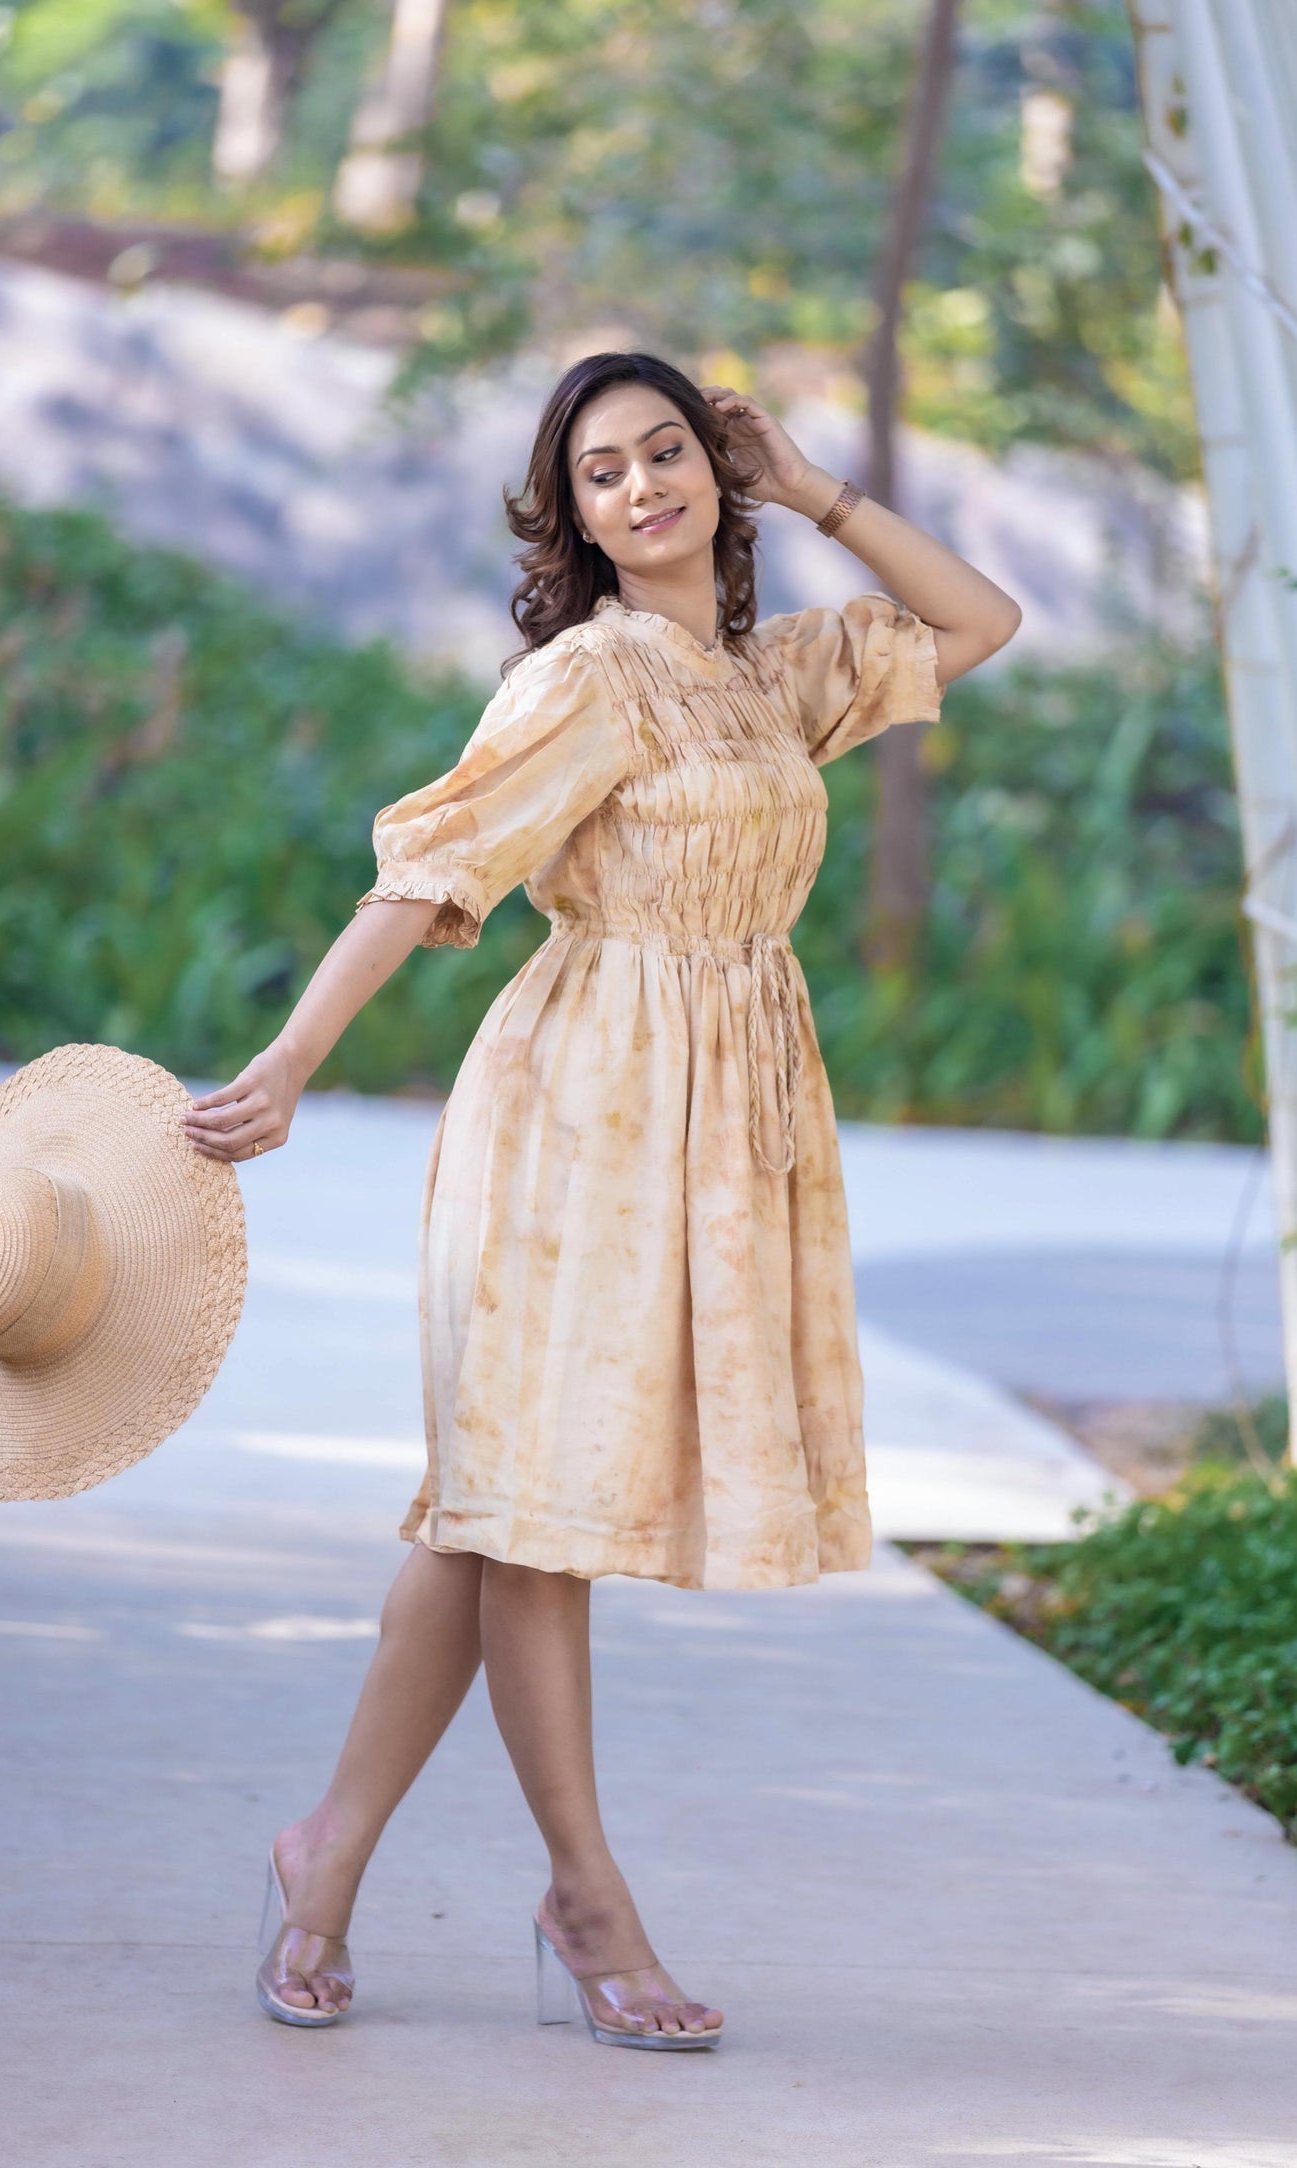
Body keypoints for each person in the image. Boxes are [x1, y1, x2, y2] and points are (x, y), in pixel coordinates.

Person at [181, 350, 1022, 2049]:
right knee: (533, 1511)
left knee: (497, 1505)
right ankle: (588, 1900)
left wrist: (812, 488)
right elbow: (429, 876)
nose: (642, 488)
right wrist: (287, 1063)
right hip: (574, 1114)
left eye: (665, 454)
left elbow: (978, 621)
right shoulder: (591, 678)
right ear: (565, 514)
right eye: (600, 473)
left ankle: (322, 1855)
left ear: (709, 469)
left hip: (720, 1121)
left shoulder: (767, 678)